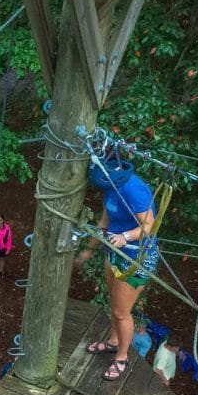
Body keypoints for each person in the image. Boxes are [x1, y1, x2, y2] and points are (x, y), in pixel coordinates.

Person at [75, 158, 158, 382]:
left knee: (122, 311)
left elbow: (149, 225)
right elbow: (105, 220)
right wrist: (89, 251)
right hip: (114, 252)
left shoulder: (134, 190)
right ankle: (113, 342)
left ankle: (122, 357)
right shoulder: (110, 188)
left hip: (135, 258)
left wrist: (125, 237)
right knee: (114, 301)